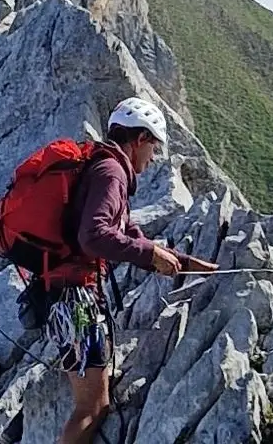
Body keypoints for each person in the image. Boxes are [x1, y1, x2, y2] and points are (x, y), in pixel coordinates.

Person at [53, 97, 218, 444]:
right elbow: (95, 235)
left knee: (93, 400)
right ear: (140, 139)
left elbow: (129, 235)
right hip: (73, 299)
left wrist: (184, 263)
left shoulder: (102, 166)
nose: (153, 157)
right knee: (92, 407)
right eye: (153, 147)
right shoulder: (111, 172)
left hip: (64, 292)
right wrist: (150, 255)